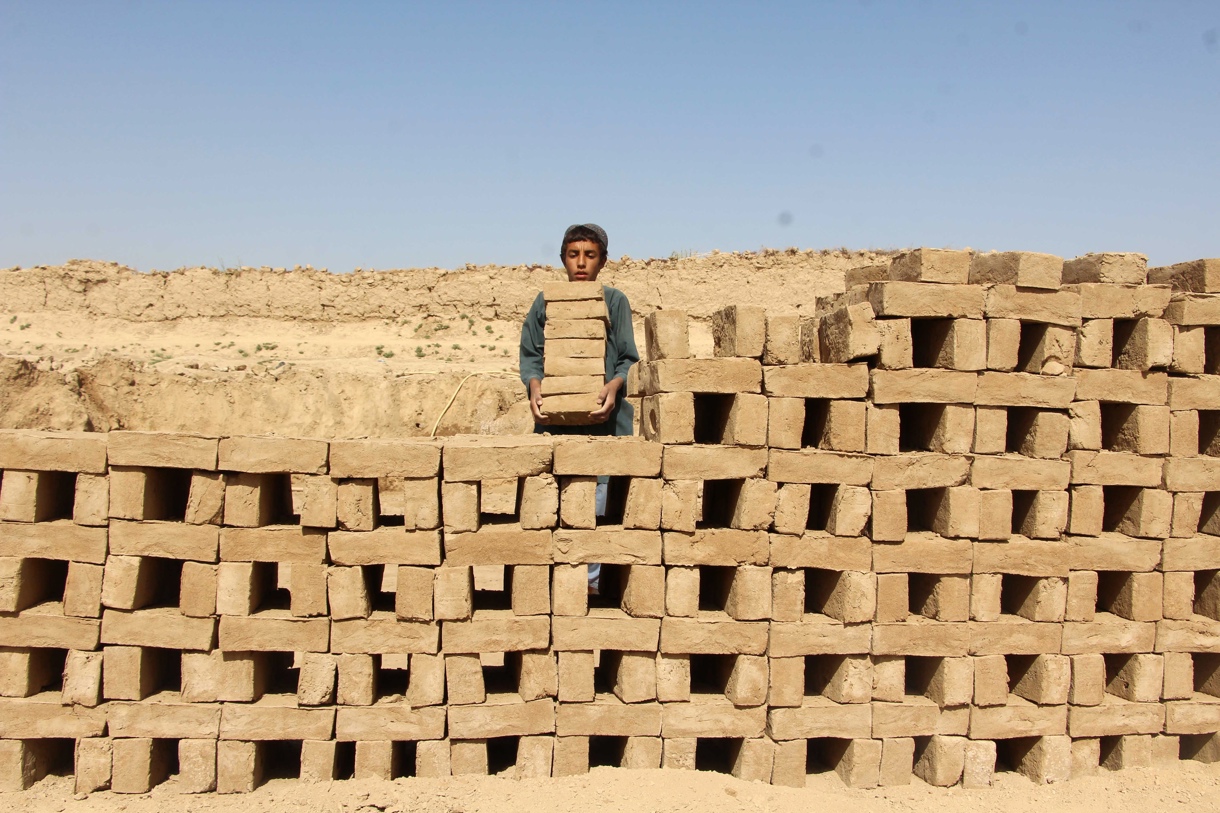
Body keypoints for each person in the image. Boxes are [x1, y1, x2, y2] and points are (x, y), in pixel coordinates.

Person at [519, 223, 639, 593]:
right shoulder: (546, 301)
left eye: (590, 255)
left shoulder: (614, 301)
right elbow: (531, 354)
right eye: (574, 255)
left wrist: (614, 387)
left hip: (603, 422)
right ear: (562, 260)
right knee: (551, 498)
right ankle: (554, 583)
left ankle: (591, 584)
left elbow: (627, 358)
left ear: (603, 261)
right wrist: (535, 389)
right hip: (555, 425)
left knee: (596, 503)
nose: (581, 263)